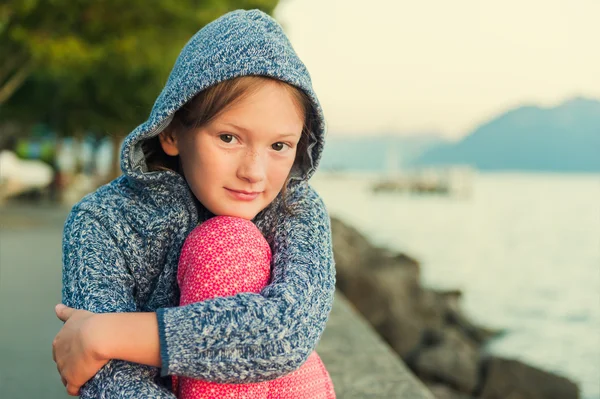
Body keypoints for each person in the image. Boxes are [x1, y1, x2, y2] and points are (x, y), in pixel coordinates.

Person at [51, 9, 336, 399]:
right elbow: (105, 378)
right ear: (171, 133)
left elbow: (289, 332)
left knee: (230, 241)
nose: (254, 172)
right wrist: (100, 342)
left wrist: (110, 331)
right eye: (229, 138)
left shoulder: (296, 207)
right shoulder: (103, 220)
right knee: (228, 243)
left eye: (279, 146)